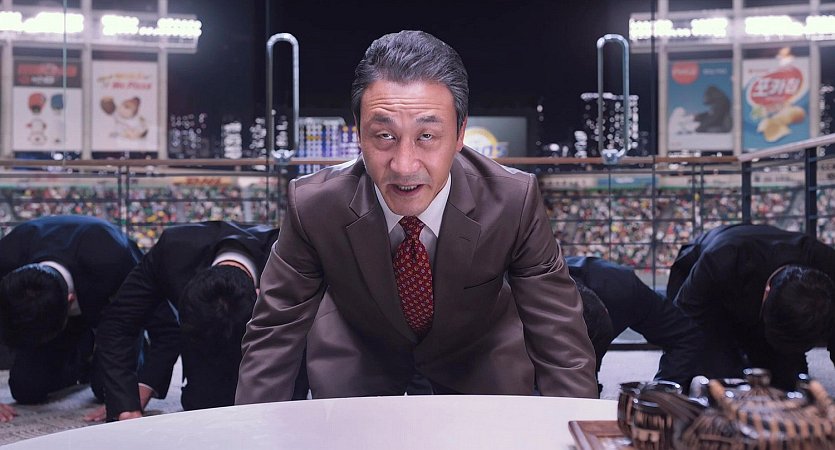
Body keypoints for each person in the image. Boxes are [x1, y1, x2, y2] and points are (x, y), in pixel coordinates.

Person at [235, 30, 597, 404]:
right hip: (359, 349)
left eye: (426, 136)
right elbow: (272, 336)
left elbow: (560, 339)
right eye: (384, 136)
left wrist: (578, 427)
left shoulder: (513, 201)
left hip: (477, 354)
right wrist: (253, 429)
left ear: (460, 133)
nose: (404, 166)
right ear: (358, 133)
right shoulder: (313, 205)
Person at [95, 221, 300, 422]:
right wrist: (126, 403)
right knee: (202, 407)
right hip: (200, 353)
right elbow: (119, 321)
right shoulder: (172, 252)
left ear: (259, 295)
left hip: (265, 350)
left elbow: (307, 333)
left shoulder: (291, 259)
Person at [0, 215, 178, 422]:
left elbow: (168, 328)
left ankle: (122, 354)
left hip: (114, 317)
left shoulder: (115, 258)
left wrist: (144, 387)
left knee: (112, 392)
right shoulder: (5, 259)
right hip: (53, 314)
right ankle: (83, 361)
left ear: (70, 301)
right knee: (26, 389)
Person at [667, 223, 835, 390]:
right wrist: (669, 386)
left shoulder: (828, 266)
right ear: (767, 290)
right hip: (702, 288)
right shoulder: (722, 260)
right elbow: (681, 327)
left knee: (787, 383)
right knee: (725, 383)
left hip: (756, 298)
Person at [566, 256, 703, 392]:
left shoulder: (624, 291)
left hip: (614, 288)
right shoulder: (552, 301)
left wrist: (662, 394)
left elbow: (685, 336)